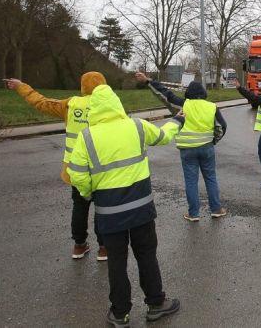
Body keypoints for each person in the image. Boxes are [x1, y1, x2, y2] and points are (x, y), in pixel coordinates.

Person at [67, 85, 183, 327]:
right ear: (116, 103)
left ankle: (120, 313)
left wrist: (89, 192)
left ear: (93, 109)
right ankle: (155, 304)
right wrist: (176, 121)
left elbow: (76, 174)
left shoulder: (86, 137)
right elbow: (163, 136)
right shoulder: (136, 125)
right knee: (146, 255)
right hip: (142, 210)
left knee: (117, 263)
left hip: (109, 214)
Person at [5, 72, 107, 261]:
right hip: (102, 168)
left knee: (79, 206)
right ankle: (104, 248)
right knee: (102, 207)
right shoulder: (109, 106)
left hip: (75, 168)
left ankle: (79, 246)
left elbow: (41, 102)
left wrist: (21, 86)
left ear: (83, 87)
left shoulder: (70, 105)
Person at [134, 73, 227, 222]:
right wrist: (213, 140)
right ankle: (216, 209)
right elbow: (222, 126)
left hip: (187, 150)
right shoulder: (212, 107)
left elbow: (165, 93)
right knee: (210, 178)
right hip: (207, 148)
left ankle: (193, 213)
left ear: (188, 93)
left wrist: (148, 81)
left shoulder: (182, 105)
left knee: (191, 181)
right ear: (203, 93)